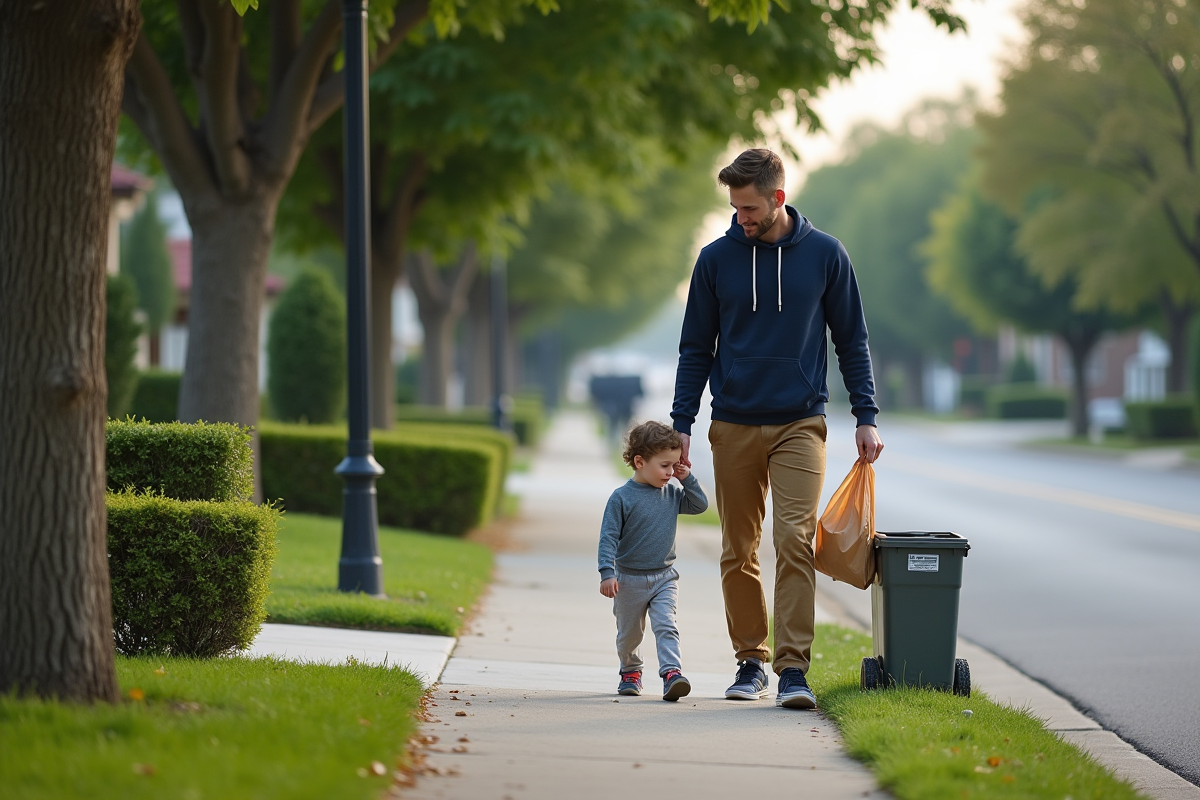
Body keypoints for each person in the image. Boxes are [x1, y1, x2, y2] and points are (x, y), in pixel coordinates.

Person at [671, 148, 884, 710]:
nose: (739, 217)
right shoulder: (715, 260)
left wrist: (866, 415)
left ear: (778, 198)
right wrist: (681, 422)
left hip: (800, 421)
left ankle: (793, 670)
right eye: (734, 207)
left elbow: (852, 340)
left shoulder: (826, 255)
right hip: (733, 422)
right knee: (737, 548)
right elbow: (696, 348)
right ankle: (750, 661)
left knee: (794, 540)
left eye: (749, 208)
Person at [598, 420, 709, 701]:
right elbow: (608, 538)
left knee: (666, 625)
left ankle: (672, 673)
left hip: (664, 578)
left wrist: (687, 478)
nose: (670, 472)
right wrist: (607, 572)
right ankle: (630, 671)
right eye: (665, 465)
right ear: (640, 462)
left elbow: (700, 505)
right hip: (628, 580)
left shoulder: (671, 494)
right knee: (629, 635)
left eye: (674, 465)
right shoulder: (621, 498)